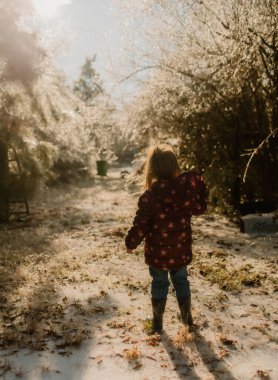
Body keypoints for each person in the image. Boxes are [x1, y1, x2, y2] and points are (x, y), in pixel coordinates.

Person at [125, 144, 208, 333]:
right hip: (180, 250)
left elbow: (141, 225)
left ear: (152, 169)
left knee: (159, 283)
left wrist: (131, 243)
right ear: (175, 166)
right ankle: (187, 320)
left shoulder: (150, 196)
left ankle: (157, 323)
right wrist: (200, 187)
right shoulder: (185, 192)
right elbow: (200, 207)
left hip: (157, 253)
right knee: (181, 281)